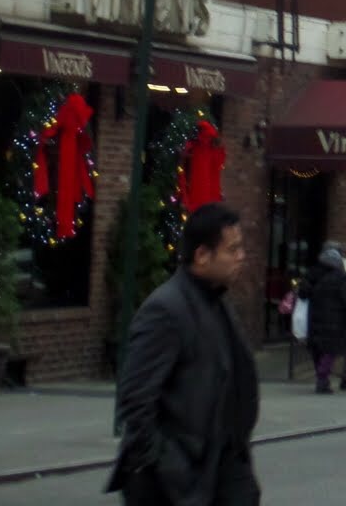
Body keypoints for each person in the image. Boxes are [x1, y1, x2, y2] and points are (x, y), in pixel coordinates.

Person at [108, 201, 259, 506]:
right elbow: (136, 399)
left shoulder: (216, 303)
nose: (241, 257)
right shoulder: (166, 309)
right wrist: (168, 466)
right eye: (232, 249)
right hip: (180, 477)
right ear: (202, 255)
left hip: (222, 464)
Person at [298, 243, 346, 393]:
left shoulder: (312, 273)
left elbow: (302, 293)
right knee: (330, 351)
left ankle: (321, 377)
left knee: (317, 349)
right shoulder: (342, 278)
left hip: (315, 317)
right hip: (336, 320)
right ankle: (322, 379)